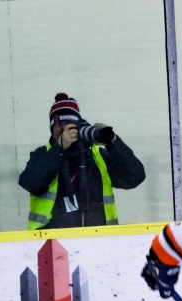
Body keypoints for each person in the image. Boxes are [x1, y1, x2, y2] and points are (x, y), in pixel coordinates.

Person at [19, 93, 145, 230]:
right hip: (53, 243)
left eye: (69, 124)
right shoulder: (43, 154)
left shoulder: (97, 156)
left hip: (100, 240)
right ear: (51, 128)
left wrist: (112, 141)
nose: (65, 129)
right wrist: (59, 148)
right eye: (59, 124)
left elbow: (135, 177)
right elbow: (31, 183)